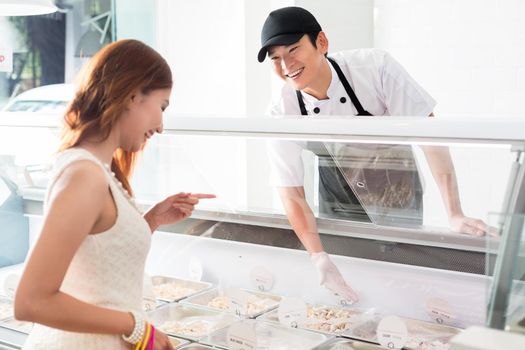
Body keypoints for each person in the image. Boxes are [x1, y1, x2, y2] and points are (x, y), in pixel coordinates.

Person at [258, 6, 490, 304]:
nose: (286, 64)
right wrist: (317, 255)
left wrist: (454, 213)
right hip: (338, 192)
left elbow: (431, 137)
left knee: (403, 272)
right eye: (275, 58)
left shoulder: (375, 68)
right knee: (353, 271)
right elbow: (291, 192)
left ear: (322, 43)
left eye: (293, 50)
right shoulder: (280, 109)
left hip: (395, 184)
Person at [14, 39, 215, 349]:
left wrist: (152, 219)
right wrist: (136, 327)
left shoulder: (97, 170)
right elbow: (31, 301)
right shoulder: (85, 176)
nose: (160, 126)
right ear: (133, 94)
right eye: (161, 107)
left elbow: (99, 256)